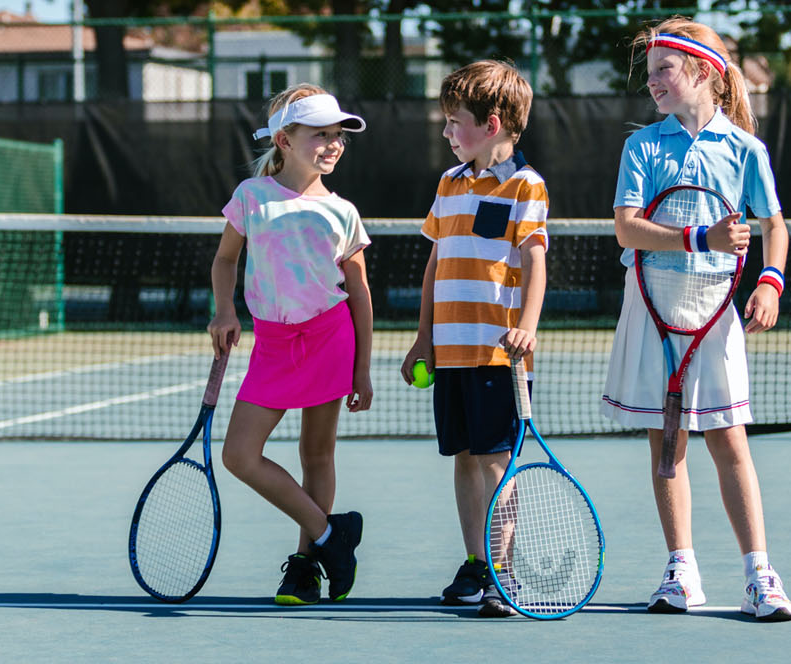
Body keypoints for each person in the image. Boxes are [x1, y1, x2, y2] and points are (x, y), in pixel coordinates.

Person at [601, 17, 791, 621]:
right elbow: (626, 227)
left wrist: (770, 279)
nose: (654, 81)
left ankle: (760, 575)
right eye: (651, 71)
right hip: (653, 308)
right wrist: (699, 237)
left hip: (714, 313)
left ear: (704, 72)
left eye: (665, 69)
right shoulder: (643, 145)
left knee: (729, 441)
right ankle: (681, 568)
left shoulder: (745, 149)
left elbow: (773, 225)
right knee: (667, 444)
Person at [208, 84, 373, 606]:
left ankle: (306, 566)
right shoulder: (251, 198)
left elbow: (360, 293)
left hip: (330, 336)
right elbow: (225, 261)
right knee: (238, 455)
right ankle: (330, 535)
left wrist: (362, 368)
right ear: (284, 139)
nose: (332, 144)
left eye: (337, 136)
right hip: (273, 344)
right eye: (319, 134)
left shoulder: (343, 211)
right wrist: (226, 309)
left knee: (316, 453)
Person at [400, 60, 549, 618]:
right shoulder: (448, 183)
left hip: (497, 353)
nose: (444, 132)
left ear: (490, 124)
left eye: (452, 121)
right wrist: (423, 338)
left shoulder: (525, 185)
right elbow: (436, 264)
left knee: (495, 464)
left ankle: (502, 572)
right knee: (464, 458)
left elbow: (535, 259)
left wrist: (527, 327)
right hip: (450, 350)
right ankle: (477, 563)